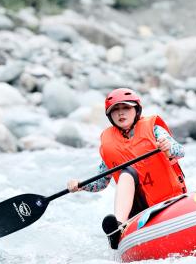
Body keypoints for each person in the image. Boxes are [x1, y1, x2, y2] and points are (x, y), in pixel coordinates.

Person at [67, 88, 186, 248]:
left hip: (167, 203)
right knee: (127, 172)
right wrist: (80, 185)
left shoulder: (155, 130)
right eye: (115, 110)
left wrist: (167, 147)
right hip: (138, 210)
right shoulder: (109, 144)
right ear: (110, 116)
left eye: (126, 108)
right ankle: (118, 228)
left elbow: (180, 151)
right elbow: (101, 183)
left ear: (136, 110)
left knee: (128, 171)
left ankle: (120, 227)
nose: (120, 113)